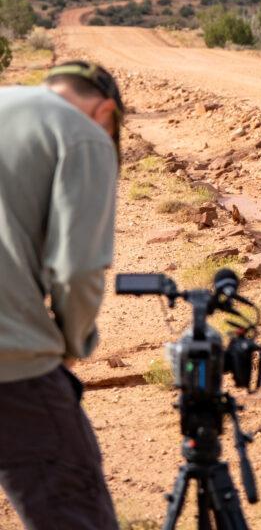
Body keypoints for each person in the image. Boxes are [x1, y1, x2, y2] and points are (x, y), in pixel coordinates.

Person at [0, 60, 124, 530]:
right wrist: (70, 346)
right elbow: (77, 270)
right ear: (105, 111)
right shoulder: (82, 134)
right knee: (74, 509)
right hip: (13, 365)